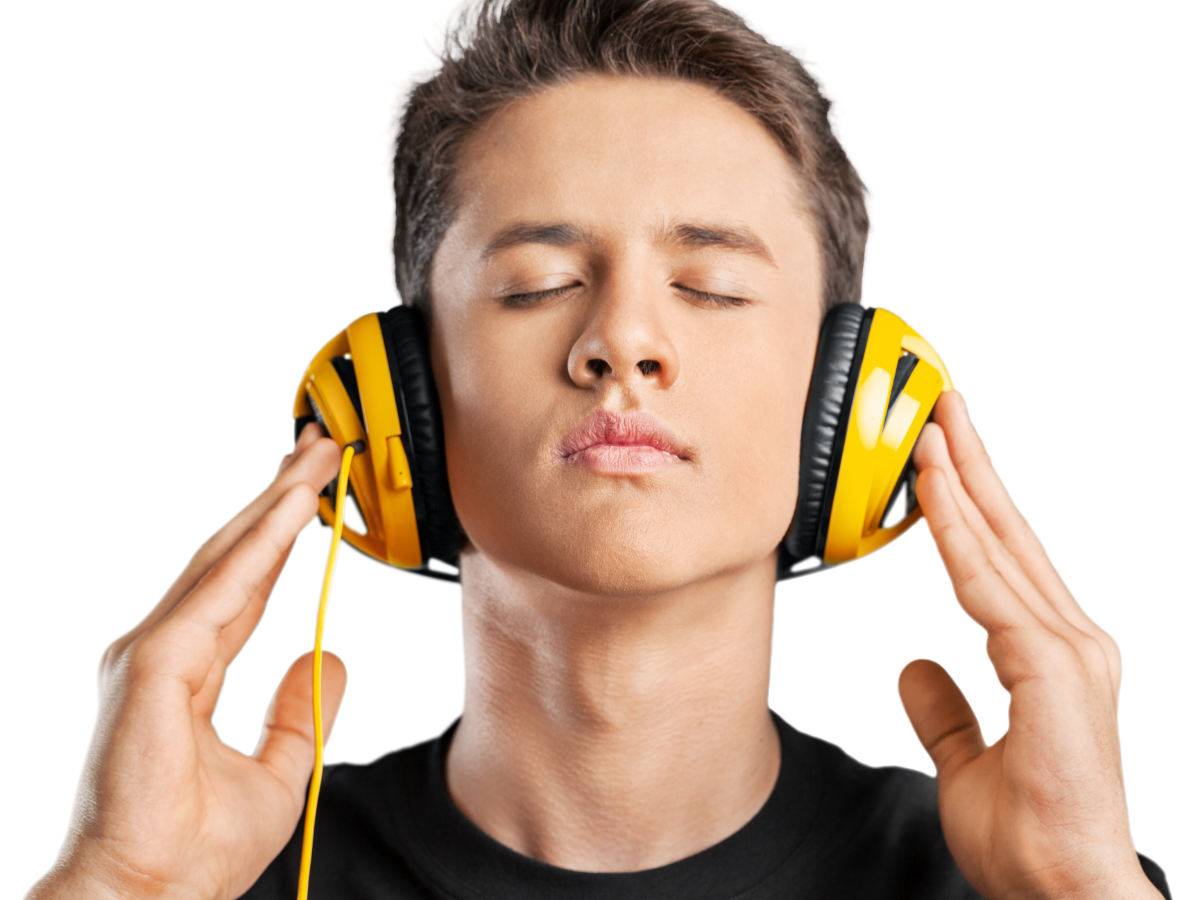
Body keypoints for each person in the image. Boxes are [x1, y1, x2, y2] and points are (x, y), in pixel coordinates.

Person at [25, 0, 1171, 898]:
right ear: (400, 396)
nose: (622, 340)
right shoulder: (215, 879)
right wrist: (119, 886)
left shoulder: (1025, 882)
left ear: (851, 398)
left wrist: (1086, 889)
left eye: (711, 287)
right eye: (538, 285)